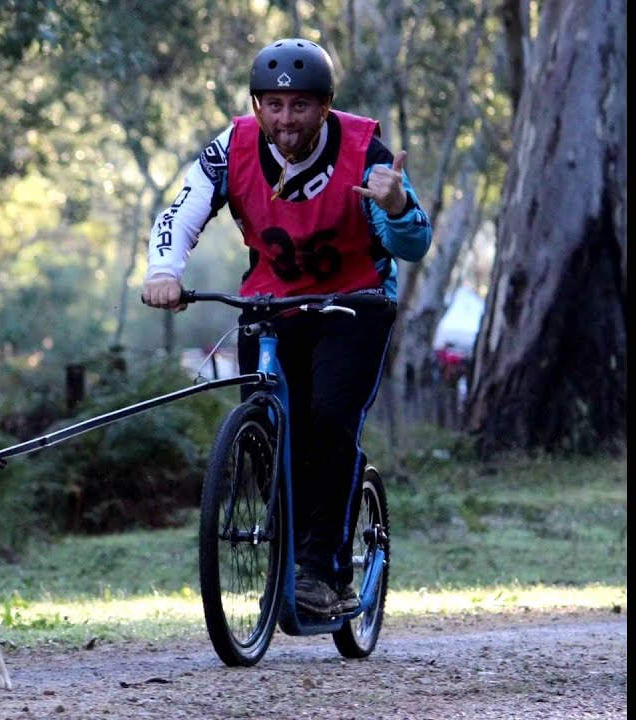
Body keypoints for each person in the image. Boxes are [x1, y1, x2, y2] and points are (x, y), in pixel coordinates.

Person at [141, 38, 432, 616]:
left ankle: (323, 570)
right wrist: (163, 271)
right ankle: (288, 550)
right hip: (271, 304)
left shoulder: (364, 152)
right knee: (271, 434)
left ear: (324, 107)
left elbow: (414, 243)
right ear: (257, 107)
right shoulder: (234, 149)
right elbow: (184, 209)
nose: (286, 119)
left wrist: (396, 206)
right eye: (273, 105)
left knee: (329, 420)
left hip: (355, 303)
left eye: (300, 105)